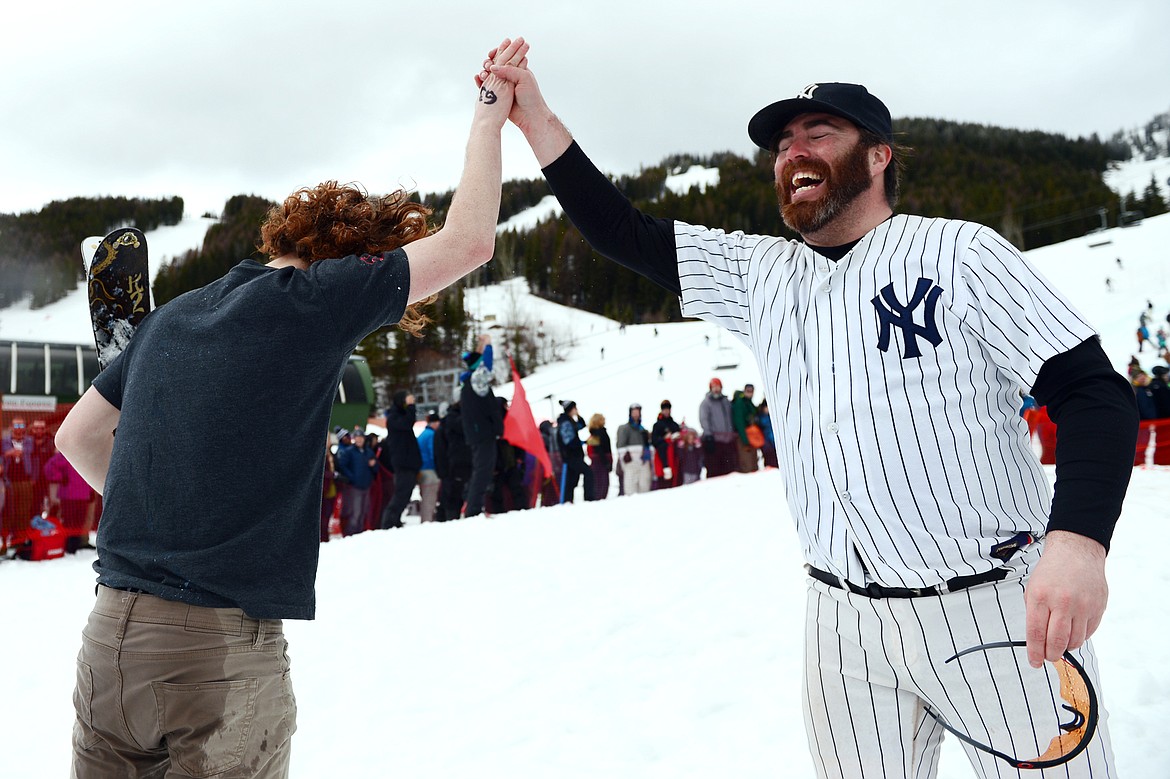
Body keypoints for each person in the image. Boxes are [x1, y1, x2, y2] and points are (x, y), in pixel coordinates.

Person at [485, 55, 1136, 776]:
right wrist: (534, 118)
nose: (792, 150)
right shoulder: (761, 273)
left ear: (879, 154)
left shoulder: (960, 254)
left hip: (993, 606)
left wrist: (1079, 542)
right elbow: (621, 231)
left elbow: (1092, 391)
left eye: (818, 132)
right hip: (844, 624)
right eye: (782, 142)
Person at [54, 39, 527, 778]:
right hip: (213, 652)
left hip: (110, 638)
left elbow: (77, 435)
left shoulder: (172, 318)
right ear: (353, 257)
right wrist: (490, 119)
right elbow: (468, 242)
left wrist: (162, 509)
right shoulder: (317, 300)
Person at [460, 334, 504, 517]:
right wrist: (488, 345)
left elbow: (476, 361)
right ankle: (473, 510)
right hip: (482, 434)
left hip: (478, 433)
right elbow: (486, 365)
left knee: (481, 471)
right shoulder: (476, 380)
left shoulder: (469, 380)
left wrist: (481, 344)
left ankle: (473, 508)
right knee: (482, 472)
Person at [380, 390, 420, 529]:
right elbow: (408, 423)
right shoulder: (393, 418)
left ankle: (395, 520)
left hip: (408, 463)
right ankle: (388, 523)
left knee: (406, 494)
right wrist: (410, 406)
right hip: (403, 463)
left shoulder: (399, 416)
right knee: (401, 494)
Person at [435, 398, 472, 520]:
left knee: (450, 498)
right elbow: (441, 451)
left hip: (452, 468)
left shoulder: (444, 427)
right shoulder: (446, 427)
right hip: (452, 468)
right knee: (452, 498)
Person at [555, 400, 593, 502]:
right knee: (588, 472)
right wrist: (582, 443)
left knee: (571, 481)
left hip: (573, 456)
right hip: (571, 457)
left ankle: (568, 501)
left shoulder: (569, 421)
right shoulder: (566, 423)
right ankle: (589, 498)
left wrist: (578, 415)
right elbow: (569, 441)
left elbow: (581, 425)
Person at [698, 378, 736, 477]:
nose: (716, 389)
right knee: (715, 470)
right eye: (713, 387)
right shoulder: (706, 403)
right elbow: (704, 419)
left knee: (729, 469)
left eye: (717, 386)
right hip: (715, 440)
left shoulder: (726, 401)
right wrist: (708, 435)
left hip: (728, 440)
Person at [615, 403, 653, 495]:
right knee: (630, 487)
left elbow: (647, 445)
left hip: (643, 461)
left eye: (638, 412)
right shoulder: (624, 428)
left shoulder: (643, 430)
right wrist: (625, 459)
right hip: (630, 462)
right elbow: (620, 446)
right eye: (634, 412)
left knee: (644, 485)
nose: (636, 414)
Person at [417, 412, 442, 523]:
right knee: (430, 498)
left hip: (421, 470)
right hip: (429, 469)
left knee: (425, 497)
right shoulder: (432, 435)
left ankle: (425, 519)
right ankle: (427, 521)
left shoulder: (423, 434)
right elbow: (434, 453)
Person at [650, 400, 679, 488]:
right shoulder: (657, 425)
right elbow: (654, 440)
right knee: (663, 483)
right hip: (662, 457)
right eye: (664, 409)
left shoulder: (674, 424)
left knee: (674, 481)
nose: (666, 411)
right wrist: (664, 438)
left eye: (668, 409)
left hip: (673, 456)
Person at [730, 383, 759, 473]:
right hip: (744, 437)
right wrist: (745, 440)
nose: (750, 393)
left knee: (753, 463)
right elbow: (740, 423)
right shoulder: (740, 403)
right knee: (747, 464)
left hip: (751, 436)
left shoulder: (748, 402)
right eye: (748, 391)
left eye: (751, 391)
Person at [586, 412, 612, 500]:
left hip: (598, 462)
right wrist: (606, 462)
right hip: (600, 462)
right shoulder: (598, 433)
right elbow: (598, 449)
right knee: (602, 484)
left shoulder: (594, 434)